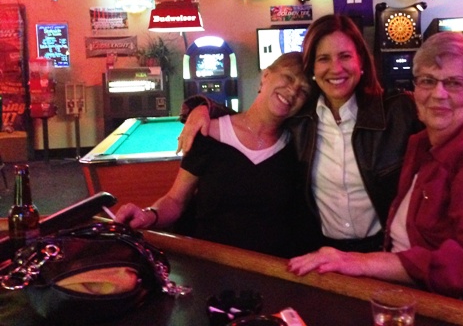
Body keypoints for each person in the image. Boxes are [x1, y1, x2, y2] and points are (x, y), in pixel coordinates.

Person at [287, 32, 463, 326]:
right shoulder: (423, 143)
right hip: (422, 297)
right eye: (427, 80)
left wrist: (358, 262)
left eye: (454, 83)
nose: (438, 94)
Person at [179, 15, 463, 253]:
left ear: (362, 63)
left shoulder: (398, 111)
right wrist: (202, 106)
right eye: (323, 59)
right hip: (319, 251)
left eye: (345, 56)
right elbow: (253, 118)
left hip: (383, 252)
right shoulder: (301, 117)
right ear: (312, 70)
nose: (336, 68)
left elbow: (448, 109)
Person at [114, 52, 316, 258]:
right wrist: (149, 214)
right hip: (212, 264)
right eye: (289, 78)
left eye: (303, 91)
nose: (292, 91)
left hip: (271, 270)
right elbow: (176, 200)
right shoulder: (208, 133)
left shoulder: (298, 146)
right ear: (265, 76)